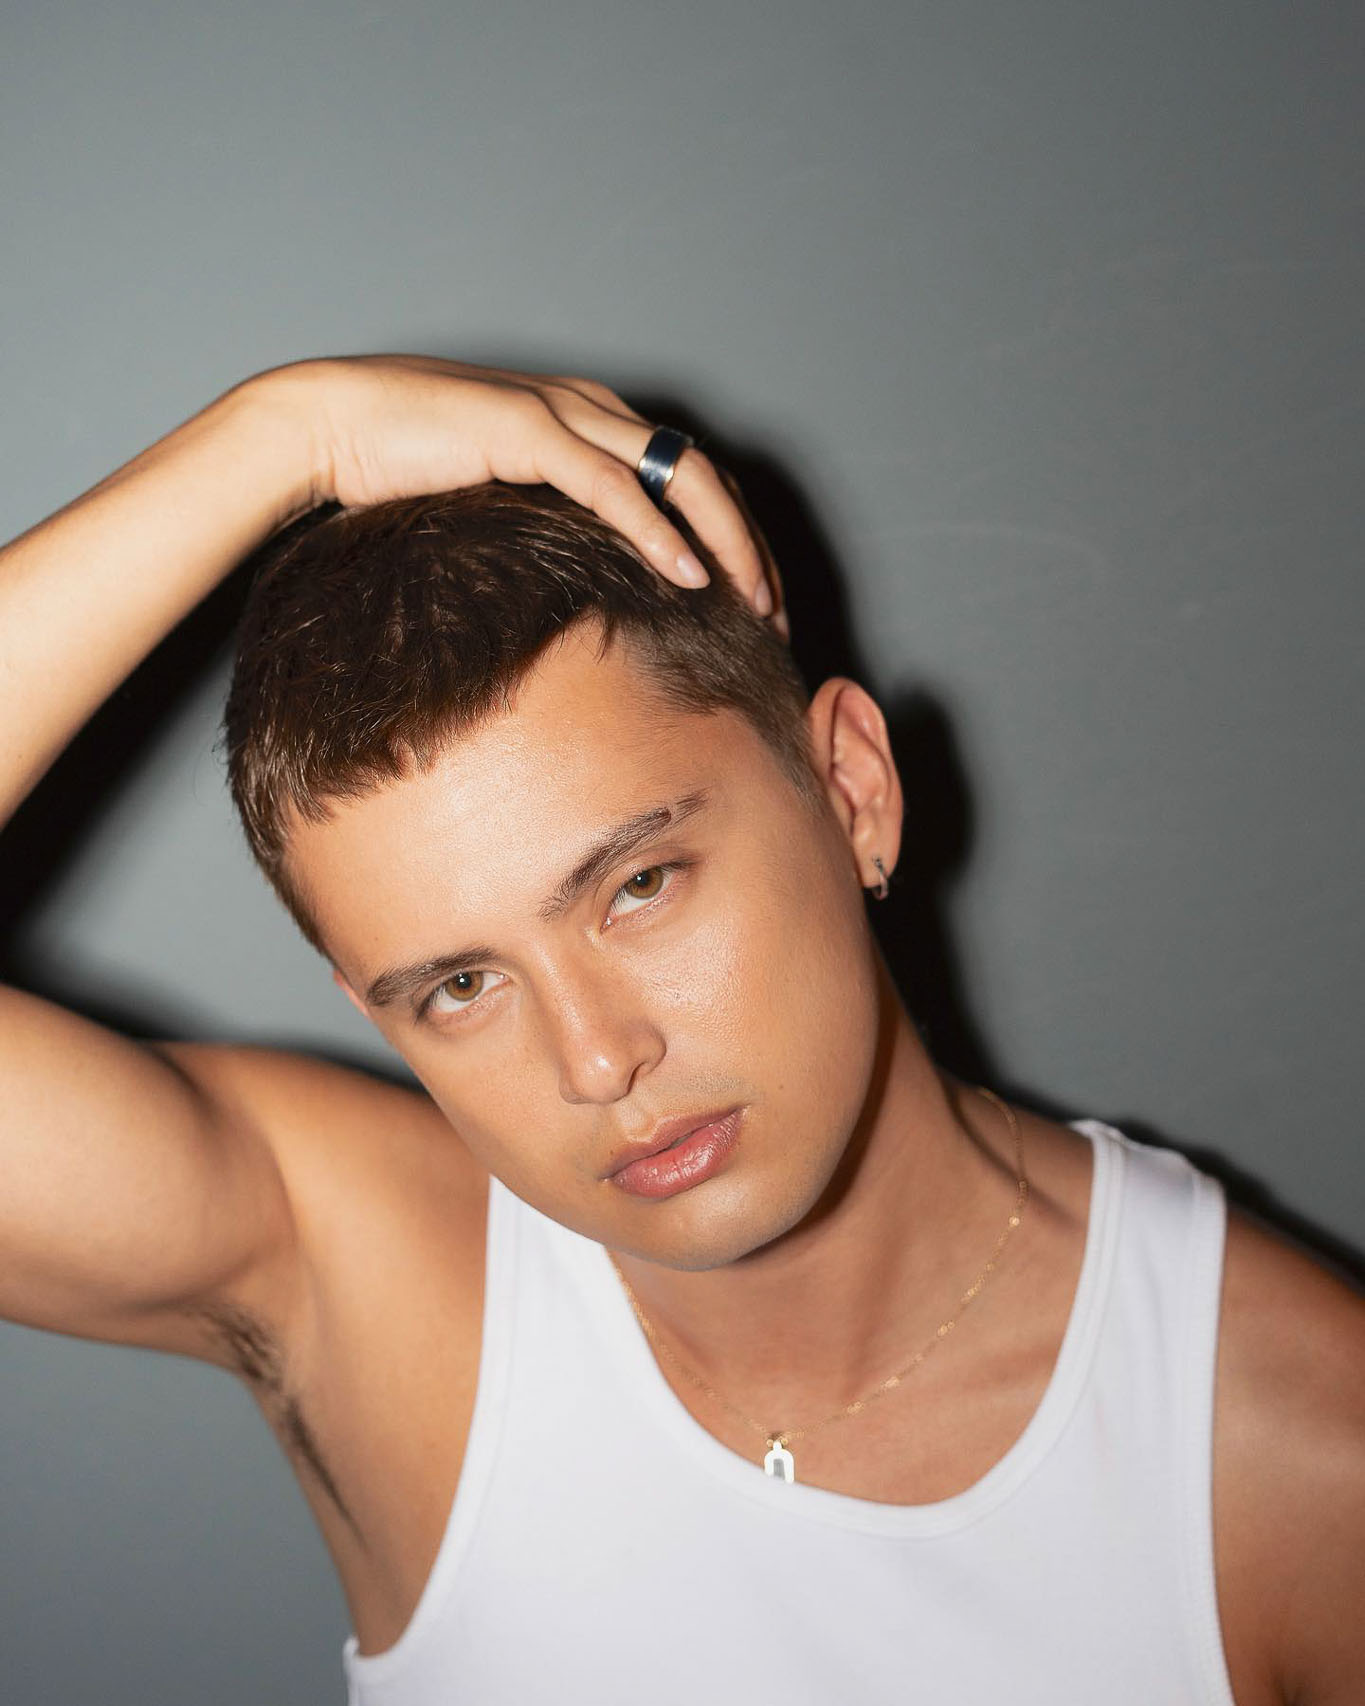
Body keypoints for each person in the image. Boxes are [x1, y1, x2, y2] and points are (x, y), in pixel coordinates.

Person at [1, 354, 1362, 1706]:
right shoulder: (365, 1280)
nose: (598, 1062)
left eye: (639, 886)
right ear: (373, 1012)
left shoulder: (1296, 1457)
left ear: (852, 790)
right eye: (460, 987)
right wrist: (290, 431)